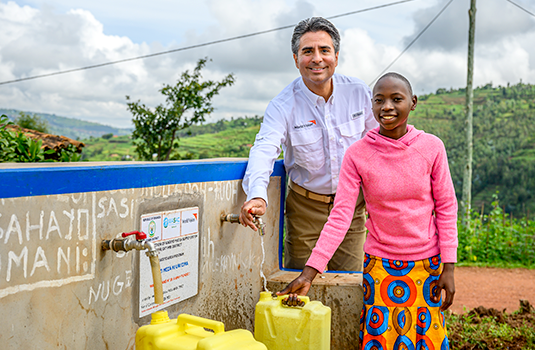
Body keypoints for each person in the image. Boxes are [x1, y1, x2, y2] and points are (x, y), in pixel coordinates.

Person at [278, 72, 458, 349]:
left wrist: (449, 265)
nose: (387, 106)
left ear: (413, 102)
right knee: (382, 340)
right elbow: (340, 216)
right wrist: (309, 272)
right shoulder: (358, 154)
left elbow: (446, 207)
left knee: (427, 340)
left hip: (427, 265)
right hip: (380, 266)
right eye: (379, 100)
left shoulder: (431, 147)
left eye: (396, 99)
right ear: (371, 107)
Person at [240, 17, 378, 271]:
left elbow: (378, 146)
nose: (317, 58)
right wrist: (257, 195)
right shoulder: (283, 105)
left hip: (351, 209)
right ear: (296, 59)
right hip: (305, 211)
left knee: (351, 285)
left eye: (324, 50)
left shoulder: (359, 93)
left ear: (336, 56)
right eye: (307, 51)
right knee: (301, 287)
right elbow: (265, 148)